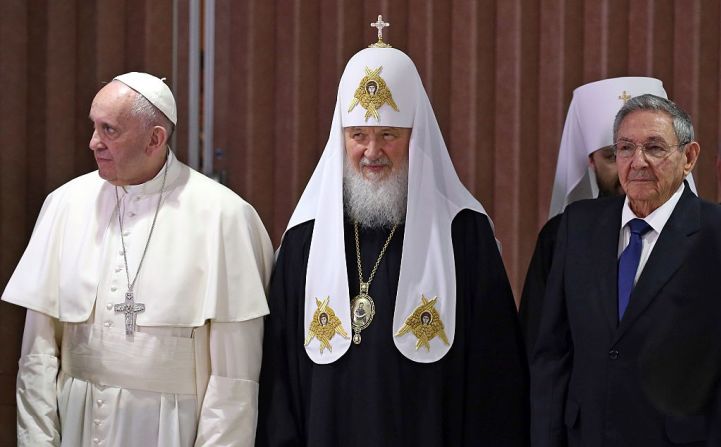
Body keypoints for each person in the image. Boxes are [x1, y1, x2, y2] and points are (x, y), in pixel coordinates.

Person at [256, 18, 528, 447]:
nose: (372, 151)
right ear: (341, 138)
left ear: (415, 138)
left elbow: (493, 378)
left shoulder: (464, 234)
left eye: (388, 135)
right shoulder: (304, 239)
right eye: (359, 135)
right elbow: (278, 381)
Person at [2, 72, 273, 446]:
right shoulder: (64, 205)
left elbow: (234, 379)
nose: (93, 142)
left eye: (109, 130)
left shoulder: (223, 216)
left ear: (155, 139)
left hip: (171, 430)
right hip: (76, 423)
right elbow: (38, 356)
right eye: (93, 127)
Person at [530, 94, 721, 446]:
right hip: (585, 435)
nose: (638, 162)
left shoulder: (714, 233)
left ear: (689, 157)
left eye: (655, 147)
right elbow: (553, 354)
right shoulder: (578, 226)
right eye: (625, 148)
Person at [519, 77, 678, 355]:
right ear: (590, 160)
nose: (634, 166)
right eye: (615, 153)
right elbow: (540, 348)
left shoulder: (708, 234)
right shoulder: (561, 238)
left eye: (653, 150)